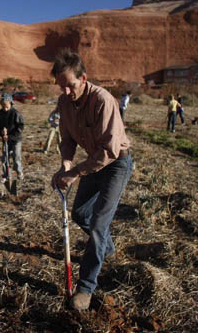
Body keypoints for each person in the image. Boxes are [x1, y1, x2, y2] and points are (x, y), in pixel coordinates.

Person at [50, 49, 133, 311]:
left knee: (98, 223)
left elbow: (108, 151)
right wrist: (66, 164)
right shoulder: (64, 103)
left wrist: (75, 172)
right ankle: (106, 248)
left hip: (115, 163)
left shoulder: (103, 100)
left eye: (70, 85)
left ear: (83, 78)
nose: (65, 92)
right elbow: (68, 139)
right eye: (60, 86)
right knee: (80, 214)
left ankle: (86, 286)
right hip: (91, 163)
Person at [0, 93, 24, 182]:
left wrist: (10, 136)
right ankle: (6, 175)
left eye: (6, 104)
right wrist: (1, 133)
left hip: (15, 140)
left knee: (16, 157)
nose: (4, 107)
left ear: (10, 102)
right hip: (5, 139)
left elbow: (20, 127)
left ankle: (19, 173)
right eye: (2, 104)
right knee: (4, 158)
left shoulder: (15, 113)